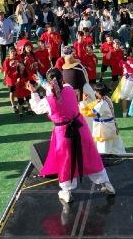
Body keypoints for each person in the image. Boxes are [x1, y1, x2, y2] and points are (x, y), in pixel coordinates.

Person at [29, 68, 115, 204]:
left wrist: (34, 92)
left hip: (63, 134)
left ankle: (67, 192)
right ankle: (106, 184)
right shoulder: (69, 88)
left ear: (50, 82)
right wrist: (44, 82)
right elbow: (56, 90)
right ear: (62, 79)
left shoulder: (48, 101)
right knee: (90, 156)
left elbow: (37, 107)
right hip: (80, 128)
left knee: (66, 161)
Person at [78, 83, 126, 154]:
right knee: (115, 146)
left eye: (95, 91)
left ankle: (104, 158)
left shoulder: (101, 105)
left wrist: (82, 102)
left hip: (104, 130)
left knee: (103, 148)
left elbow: (86, 113)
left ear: (99, 93)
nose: (94, 93)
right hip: (111, 127)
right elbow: (92, 104)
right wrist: (85, 102)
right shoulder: (106, 99)